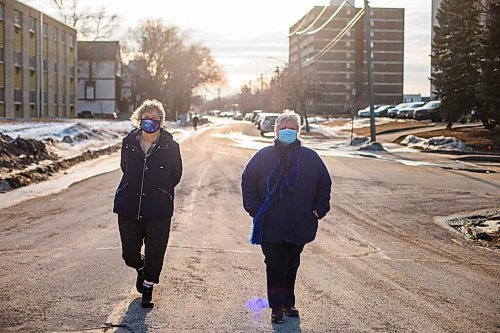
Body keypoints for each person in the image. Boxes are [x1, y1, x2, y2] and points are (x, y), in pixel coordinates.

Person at [241, 110, 332, 324]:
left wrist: (318, 210)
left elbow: (324, 184)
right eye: (283, 129)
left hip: (300, 224)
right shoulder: (263, 156)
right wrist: (256, 210)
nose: (287, 132)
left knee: (292, 264)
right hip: (271, 224)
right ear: (276, 131)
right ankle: (276, 306)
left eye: (292, 128)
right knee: (274, 264)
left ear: (298, 132)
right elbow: (247, 181)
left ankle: (289, 301)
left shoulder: (310, 157)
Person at [113, 99, 182, 308]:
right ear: (139, 119)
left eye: (155, 118)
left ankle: (148, 287)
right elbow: (125, 166)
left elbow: (176, 175)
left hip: (158, 208)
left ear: (161, 121)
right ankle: (140, 267)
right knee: (129, 254)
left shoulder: (171, 146)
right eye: (146, 117)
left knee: (155, 251)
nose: (150, 121)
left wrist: (159, 189)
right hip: (129, 207)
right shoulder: (129, 142)